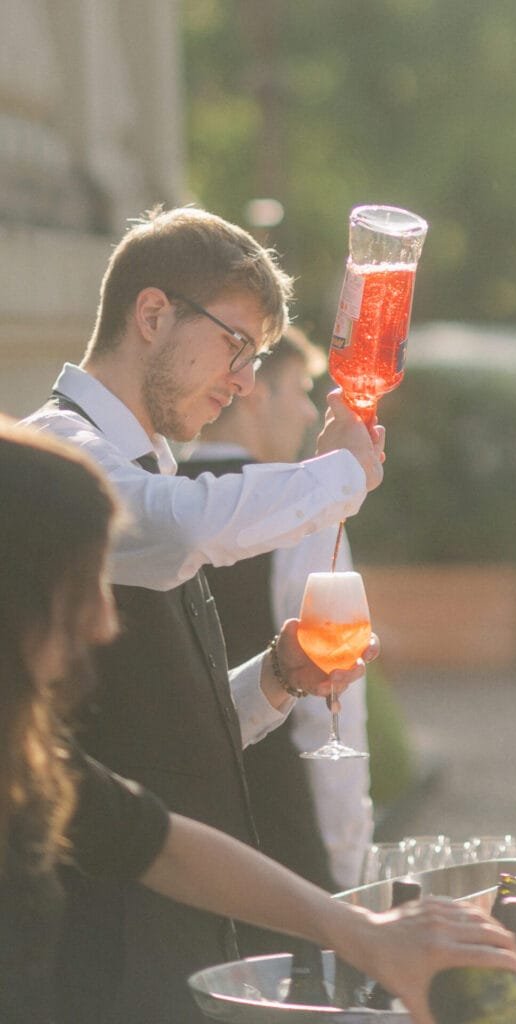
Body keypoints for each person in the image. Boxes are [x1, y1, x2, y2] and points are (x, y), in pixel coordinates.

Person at [0, 417, 516, 1024]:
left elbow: (160, 843)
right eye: (81, 588)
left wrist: (364, 932)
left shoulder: (29, 754)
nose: (103, 623)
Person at [22, 205, 385, 1022]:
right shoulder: (58, 456)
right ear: (152, 315)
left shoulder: (143, 466)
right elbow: (179, 525)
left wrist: (279, 678)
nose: (244, 381)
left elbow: (161, 730)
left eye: (255, 357)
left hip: (174, 938)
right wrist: (340, 475)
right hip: (98, 948)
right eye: (235, 344)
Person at [179, 326, 372, 907]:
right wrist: (350, 864)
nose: (311, 410)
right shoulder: (301, 510)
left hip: (173, 839)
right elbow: (331, 710)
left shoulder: (148, 496)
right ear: (254, 390)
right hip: (279, 846)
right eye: (300, 388)